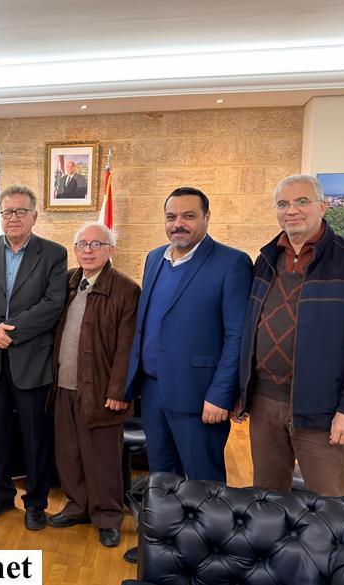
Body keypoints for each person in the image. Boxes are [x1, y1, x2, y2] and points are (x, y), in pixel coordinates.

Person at [237, 174, 344, 496]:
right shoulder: (265, 260)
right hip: (264, 404)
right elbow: (249, 329)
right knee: (267, 501)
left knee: (330, 506)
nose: (292, 210)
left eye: (302, 201)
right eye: (283, 204)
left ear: (323, 206)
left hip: (322, 408)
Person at [124, 187, 252, 483]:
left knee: (203, 485)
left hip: (199, 395)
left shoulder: (232, 263)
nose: (178, 224)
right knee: (161, 479)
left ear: (207, 217)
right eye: (171, 217)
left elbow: (238, 337)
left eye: (188, 216)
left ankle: (203, 520)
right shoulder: (155, 258)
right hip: (153, 392)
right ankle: (164, 517)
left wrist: (221, 395)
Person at [0, 184, 68, 531]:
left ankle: (35, 502)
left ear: (34, 216)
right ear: (0, 216)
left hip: (31, 359)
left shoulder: (53, 254)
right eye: (7, 212)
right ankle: (1, 493)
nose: (14, 218)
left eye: (21, 211)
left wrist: (10, 332)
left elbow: (53, 303)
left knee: (35, 435)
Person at [47, 222, 140, 548]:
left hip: (101, 391)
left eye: (96, 244)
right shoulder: (67, 281)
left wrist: (118, 391)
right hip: (64, 386)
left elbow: (127, 348)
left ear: (110, 249)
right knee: (69, 453)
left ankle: (107, 517)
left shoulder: (126, 290)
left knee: (102, 459)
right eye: (81, 244)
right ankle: (77, 506)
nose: (88, 250)